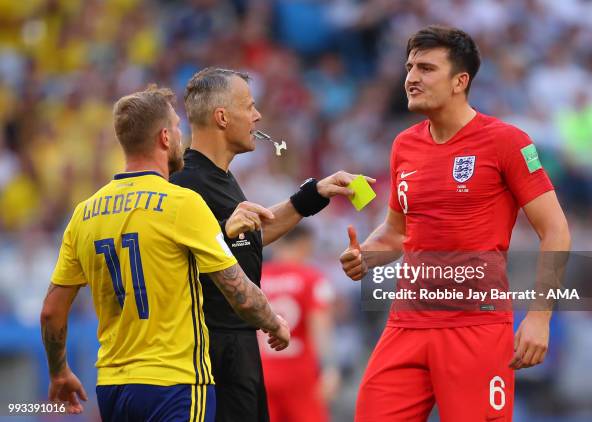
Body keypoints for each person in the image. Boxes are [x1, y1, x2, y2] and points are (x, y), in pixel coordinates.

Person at [339, 26, 571, 421]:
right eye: (410, 67)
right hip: (406, 323)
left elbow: (556, 230)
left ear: (460, 81)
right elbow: (397, 232)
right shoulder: (404, 145)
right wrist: (366, 255)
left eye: (427, 68)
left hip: (475, 326)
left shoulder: (506, 142)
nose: (412, 78)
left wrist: (539, 316)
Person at [40, 86, 289, 420]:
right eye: (176, 127)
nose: (181, 136)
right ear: (164, 137)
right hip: (176, 384)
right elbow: (239, 293)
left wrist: (59, 371)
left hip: (113, 386)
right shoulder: (181, 204)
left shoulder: (85, 213)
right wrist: (274, 323)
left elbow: (51, 312)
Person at [170, 67, 371, 422]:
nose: (257, 115)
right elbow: (177, 254)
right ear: (221, 117)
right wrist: (224, 230)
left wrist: (314, 194)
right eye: (249, 106)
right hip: (207, 356)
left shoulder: (221, 179)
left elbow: (248, 234)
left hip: (240, 350)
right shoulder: (185, 183)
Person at [258, 225, 340, 422]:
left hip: (262, 374)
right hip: (300, 376)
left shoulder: (256, 279)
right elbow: (320, 327)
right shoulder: (311, 278)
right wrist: (329, 368)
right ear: (304, 244)